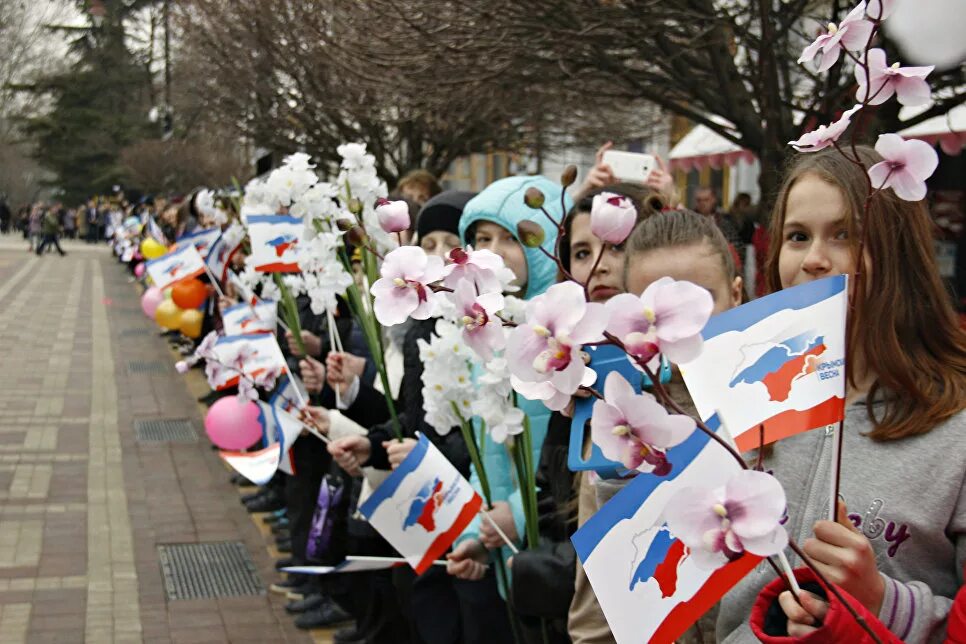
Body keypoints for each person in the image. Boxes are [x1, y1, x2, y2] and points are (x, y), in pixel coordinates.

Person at [716, 146, 966, 643]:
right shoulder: (741, 393)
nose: (813, 259)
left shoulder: (956, 425)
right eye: (797, 236)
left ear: (898, 253)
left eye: (845, 234)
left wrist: (881, 600)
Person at [568, 209, 744, 644]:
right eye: (655, 314)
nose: (676, 329)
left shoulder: (775, 410)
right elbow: (596, 611)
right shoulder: (621, 429)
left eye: (698, 304)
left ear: (736, 296)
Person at [507, 184, 658, 644]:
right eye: (581, 251)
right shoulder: (573, 369)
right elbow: (556, 496)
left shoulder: (671, 377)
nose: (599, 264)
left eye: (616, 246)